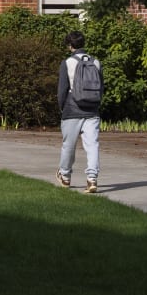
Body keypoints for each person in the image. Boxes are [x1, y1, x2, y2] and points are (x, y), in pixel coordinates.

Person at [56, 30, 100, 194]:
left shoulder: (67, 63)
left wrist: (62, 107)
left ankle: (65, 176)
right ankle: (92, 179)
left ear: (69, 45)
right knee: (92, 145)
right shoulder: (96, 62)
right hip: (92, 110)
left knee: (69, 145)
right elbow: (101, 87)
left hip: (72, 108)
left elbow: (62, 90)